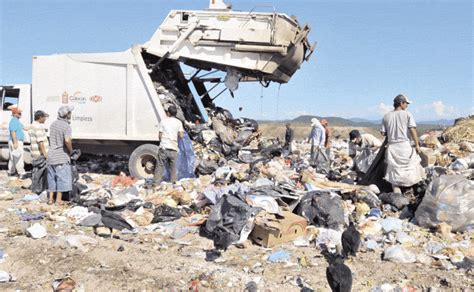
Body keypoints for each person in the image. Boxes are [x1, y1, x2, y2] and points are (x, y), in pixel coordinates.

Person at [380, 94, 425, 194]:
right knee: (410, 167)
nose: (407, 105)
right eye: (406, 103)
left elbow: (383, 133)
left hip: (392, 147)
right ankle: (412, 187)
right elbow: (412, 129)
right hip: (404, 146)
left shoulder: (386, 116)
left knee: (394, 170)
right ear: (401, 103)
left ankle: (397, 190)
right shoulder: (407, 114)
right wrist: (417, 144)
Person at [47, 106, 74, 205]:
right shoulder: (66, 126)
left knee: (51, 178)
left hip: (51, 156)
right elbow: (67, 140)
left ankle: (50, 199)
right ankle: (58, 200)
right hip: (61, 156)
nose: (71, 114)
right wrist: (71, 151)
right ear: (67, 115)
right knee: (61, 178)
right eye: (70, 112)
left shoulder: (53, 124)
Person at [154, 105, 185, 184]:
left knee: (160, 166)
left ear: (168, 113)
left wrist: (162, 141)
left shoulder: (163, 121)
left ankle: (156, 183)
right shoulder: (178, 122)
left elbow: (160, 135)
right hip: (173, 148)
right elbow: (181, 135)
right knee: (173, 168)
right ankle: (173, 184)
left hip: (164, 147)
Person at [8, 107, 26, 178]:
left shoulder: (16, 121)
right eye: (19, 113)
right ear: (14, 114)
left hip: (15, 141)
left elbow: (24, 127)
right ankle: (21, 173)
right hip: (16, 141)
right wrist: (15, 142)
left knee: (13, 157)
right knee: (19, 157)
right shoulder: (14, 121)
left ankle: (11, 172)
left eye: (20, 112)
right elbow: (13, 132)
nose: (20, 114)